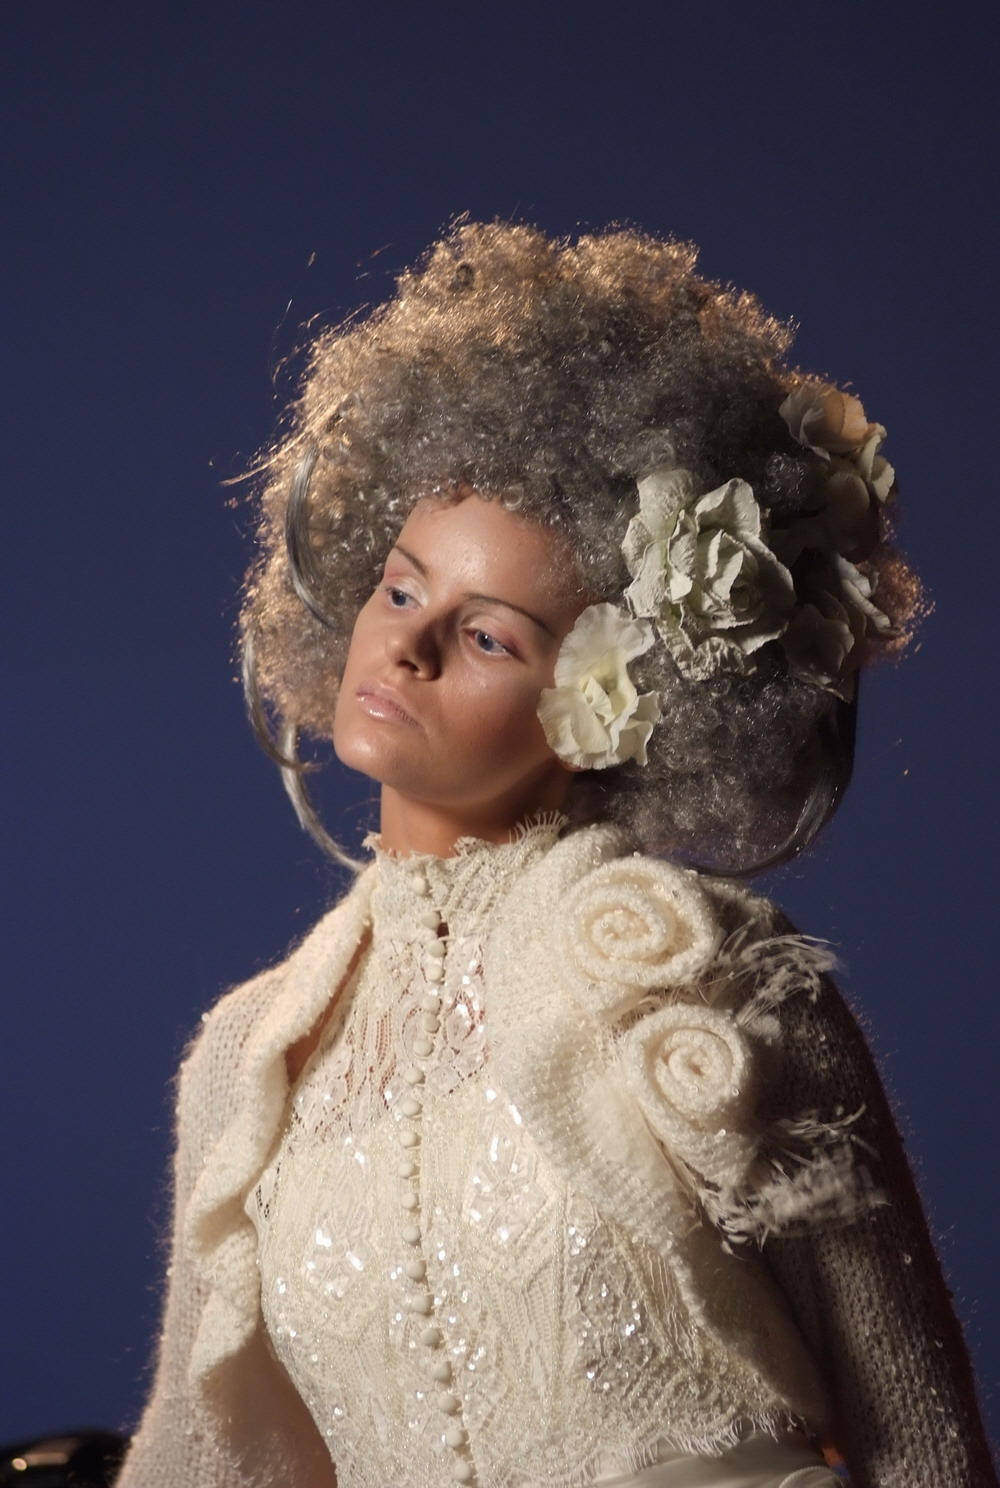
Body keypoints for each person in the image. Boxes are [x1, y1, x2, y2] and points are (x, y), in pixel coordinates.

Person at [113, 219, 996, 1488]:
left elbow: (917, 1438)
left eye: (488, 637)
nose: (406, 647)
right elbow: (199, 1459)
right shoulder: (248, 1059)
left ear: (612, 705)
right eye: (401, 588)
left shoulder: (702, 979)